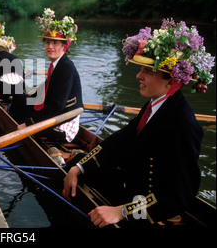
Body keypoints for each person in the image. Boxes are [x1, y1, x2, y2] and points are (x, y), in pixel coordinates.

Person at [62, 19, 214, 227]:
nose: (138, 75)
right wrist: (79, 167)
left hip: (154, 212)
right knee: (71, 165)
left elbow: (179, 195)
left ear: (172, 80)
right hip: (132, 189)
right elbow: (121, 140)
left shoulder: (184, 124)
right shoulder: (156, 105)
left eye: (148, 71)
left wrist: (122, 212)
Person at [13, 9, 83, 143]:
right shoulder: (58, 64)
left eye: (55, 43)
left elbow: (56, 106)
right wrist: (25, 93)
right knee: (19, 99)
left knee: (21, 108)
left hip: (63, 123)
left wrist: (28, 124)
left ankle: (16, 132)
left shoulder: (66, 67)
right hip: (58, 112)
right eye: (47, 42)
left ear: (64, 45)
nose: (50, 47)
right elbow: (47, 90)